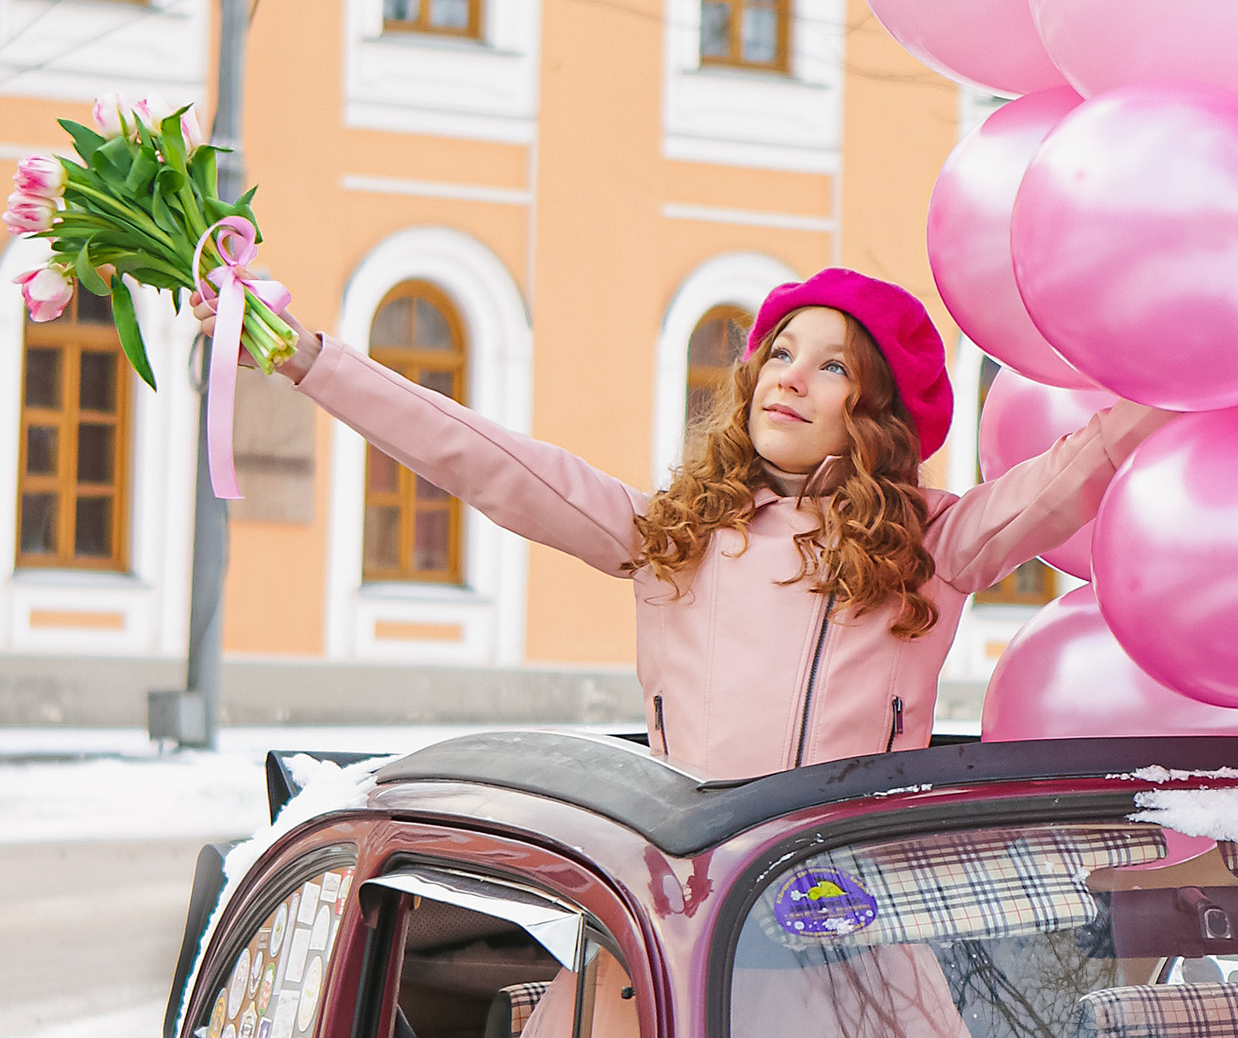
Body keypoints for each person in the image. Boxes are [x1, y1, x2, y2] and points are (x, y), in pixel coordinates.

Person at [272, 266, 1166, 783]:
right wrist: (309, 360)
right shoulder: (670, 534)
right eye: (780, 352)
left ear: (875, 409)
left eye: (831, 367)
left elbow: (1081, 464)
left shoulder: (930, 545)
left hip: (851, 929)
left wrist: (1206, 368)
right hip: (693, 931)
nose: (789, 377)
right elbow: (480, 456)